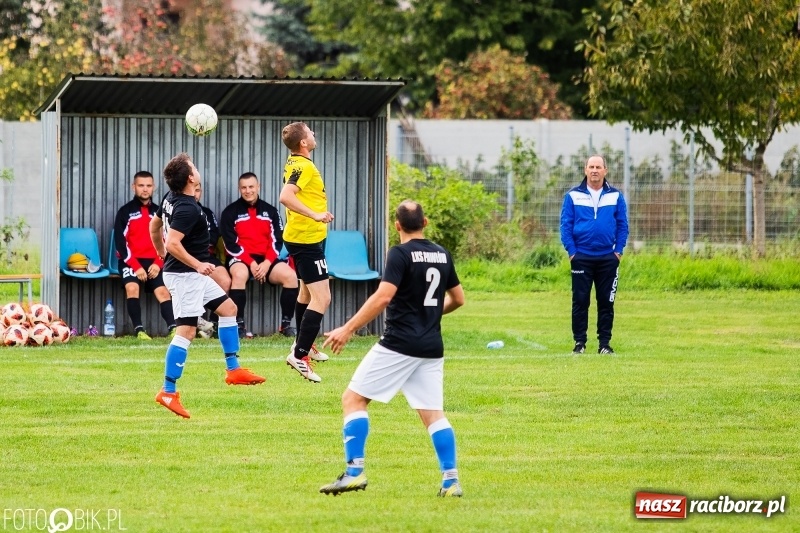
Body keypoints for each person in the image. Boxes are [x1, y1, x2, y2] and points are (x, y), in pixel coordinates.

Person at [319, 200, 466, 497]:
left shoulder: (399, 254)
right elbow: (458, 299)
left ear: (396, 225)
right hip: (430, 346)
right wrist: (430, 316)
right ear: (425, 223)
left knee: (353, 399)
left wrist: (347, 329)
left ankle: (354, 472)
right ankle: (451, 481)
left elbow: (384, 296)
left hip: (399, 344)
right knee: (433, 414)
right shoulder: (441, 254)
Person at [150, 153, 265, 419]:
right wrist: (197, 264)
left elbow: (155, 225)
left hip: (192, 275)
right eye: (194, 167)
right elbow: (174, 243)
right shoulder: (188, 207)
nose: (197, 170)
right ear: (191, 178)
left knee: (228, 308)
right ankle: (168, 391)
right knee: (187, 332)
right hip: (186, 277)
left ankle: (234, 369)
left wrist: (160, 252)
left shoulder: (172, 198)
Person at [279, 122, 334, 383]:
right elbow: (286, 196)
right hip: (306, 240)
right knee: (322, 299)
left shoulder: (294, 162)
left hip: (304, 237)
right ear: (303, 143)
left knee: (305, 292)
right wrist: (315, 215)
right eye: (311, 132)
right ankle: (299, 355)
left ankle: (305, 342)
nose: (314, 134)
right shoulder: (304, 166)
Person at [560, 154, 629, 355]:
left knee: (606, 302)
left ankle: (604, 345)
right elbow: (565, 226)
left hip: (608, 257)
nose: (595, 170)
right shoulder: (573, 196)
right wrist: (572, 252)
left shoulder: (615, 196)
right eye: (591, 166)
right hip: (581, 256)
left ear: (605, 171)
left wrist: (618, 251)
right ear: (585, 170)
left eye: (599, 167)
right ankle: (579, 343)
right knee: (580, 301)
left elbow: (623, 226)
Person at [219, 172, 299, 339]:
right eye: (244, 188)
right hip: (241, 259)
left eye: (251, 187)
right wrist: (252, 263)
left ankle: (286, 326)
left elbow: (277, 241)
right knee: (239, 275)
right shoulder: (230, 212)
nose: (248, 191)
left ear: (258, 187)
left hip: (266, 260)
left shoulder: (271, 211)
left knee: (290, 276)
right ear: (239, 189)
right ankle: (239, 325)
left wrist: (267, 263)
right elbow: (230, 244)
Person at [113, 170, 176, 339]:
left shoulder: (159, 212)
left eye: (148, 185)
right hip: (130, 262)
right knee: (132, 288)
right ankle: (139, 331)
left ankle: (173, 328)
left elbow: (167, 241)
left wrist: (158, 263)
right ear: (134, 187)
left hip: (155, 262)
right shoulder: (125, 212)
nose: (145, 189)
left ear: (153, 187)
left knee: (163, 291)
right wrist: (135, 266)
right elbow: (120, 244)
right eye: (141, 185)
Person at [194, 182, 231, 336]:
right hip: (185, 258)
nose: (195, 193)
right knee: (193, 281)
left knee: (225, 280)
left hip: (206, 256)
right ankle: (196, 322)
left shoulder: (207, 213)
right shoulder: (179, 210)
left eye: (198, 190)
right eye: (192, 190)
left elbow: (214, 235)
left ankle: (212, 325)